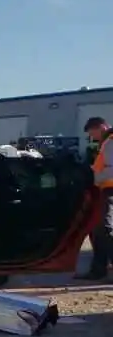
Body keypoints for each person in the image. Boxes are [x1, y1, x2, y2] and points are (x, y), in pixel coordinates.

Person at [77, 116, 113, 281]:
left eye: (93, 133)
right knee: (98, 231)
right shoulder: (106, 142)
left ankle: (100, 269)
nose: (93, 137)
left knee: (105, 229)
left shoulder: (111, 142)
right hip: (105, 189)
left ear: (101, 127)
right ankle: (98, 270)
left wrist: (95, 174)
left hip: (111, 189)